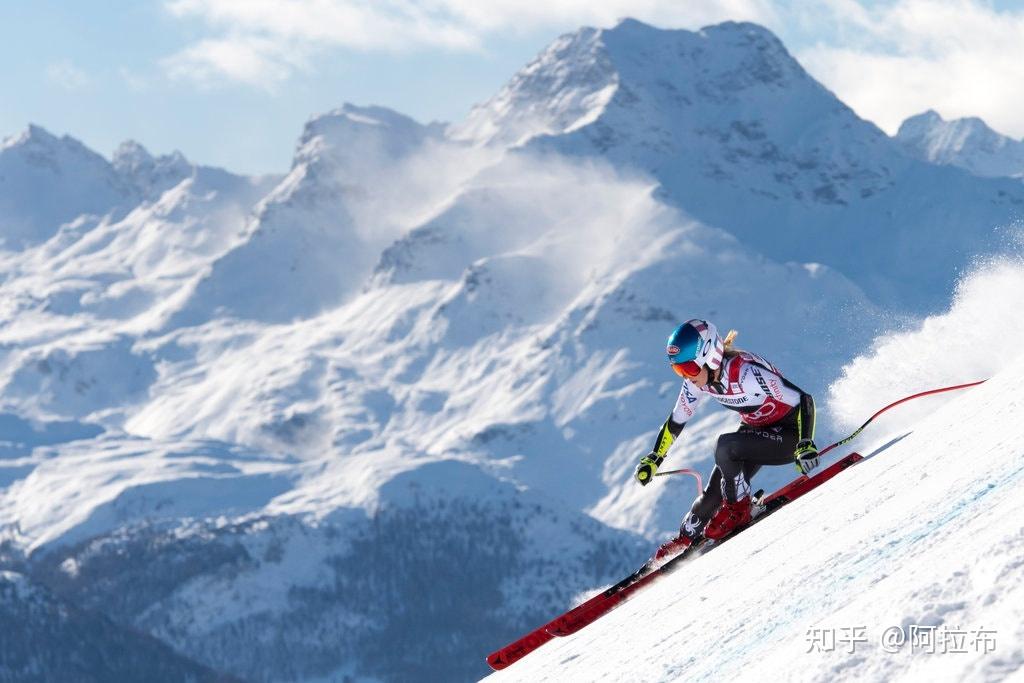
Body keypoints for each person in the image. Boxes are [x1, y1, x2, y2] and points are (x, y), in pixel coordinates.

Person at [634, 319, 820, 560]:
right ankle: (684, 540)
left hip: (788, 435)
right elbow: (676, 421)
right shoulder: (699, 381)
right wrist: (655, 457)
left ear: (709, 357)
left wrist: (805, 443)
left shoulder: (746, 373)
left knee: (725, 446)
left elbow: (803, 399)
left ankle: (740, 508)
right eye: (678, 370)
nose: (687, 377)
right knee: (711, 496)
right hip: (757, 432)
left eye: (688, 368)